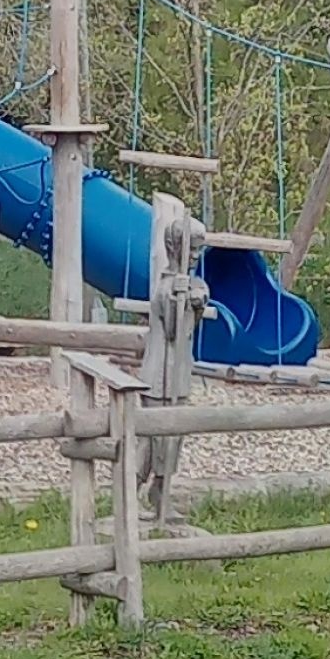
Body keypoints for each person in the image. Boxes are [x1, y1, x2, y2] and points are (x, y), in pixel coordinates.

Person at [138, 196, 210, 532]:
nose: (194, 258)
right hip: (159, 374)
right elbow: (170, 331)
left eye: (198, 252)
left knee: (175, 437)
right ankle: (134, 491)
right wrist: (183, 302)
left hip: (179, 372)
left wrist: (195, 302)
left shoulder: (194, 285)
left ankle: (162, 494)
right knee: (154, 439)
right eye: (191, 251)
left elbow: (188, 332)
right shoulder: (165, 287)